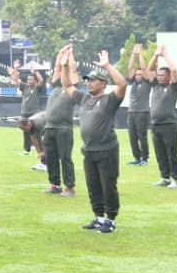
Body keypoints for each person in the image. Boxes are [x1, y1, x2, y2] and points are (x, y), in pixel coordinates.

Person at [63, 46, 126, 234]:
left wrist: (107, 66)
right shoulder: (84, 99)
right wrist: (65, 67)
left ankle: (111, 220)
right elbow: (67, 86)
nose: (88, 83)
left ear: (103, 83)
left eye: (92, 80)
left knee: (108, 185)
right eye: (87, 81)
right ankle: (98, 217)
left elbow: (122, 84)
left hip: (106, 150)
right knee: (93, 185)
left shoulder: (110, 100)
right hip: (89, 150)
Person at [41, 47, 77, 197]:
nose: (62, 74)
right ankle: (55, 185)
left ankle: (69, 187)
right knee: (51, 158)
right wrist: (61, 53)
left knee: (65, 158)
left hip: (63, 129)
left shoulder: (72, 89)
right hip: (49, 128)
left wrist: (70, 56)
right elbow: (56, 68)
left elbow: (73, 71)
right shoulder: (55, 87)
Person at [147, 45, 177, 189]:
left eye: (163, 75)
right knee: (159, 152)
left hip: (169, 125)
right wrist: (155, 55)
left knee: (171, 152)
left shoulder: (174, 87)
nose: (160, 77)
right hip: (155, 125)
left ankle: (175, 179)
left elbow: (174, 70)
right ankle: (165, 177)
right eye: (159, 75)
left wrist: (165, 55)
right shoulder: (156, 86)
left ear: (168, 77)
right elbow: (149, 70)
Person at [9, 61, 45, 158]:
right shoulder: (25, 87)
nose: (28, 80)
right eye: (28, 79)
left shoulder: (37, 87)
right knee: (25, 132)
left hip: (34, 114)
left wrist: (36, 71)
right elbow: (16, 80)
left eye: (31, 79)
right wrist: (15, 68)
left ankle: (40, 149)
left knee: (36, 132)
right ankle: (27, 149)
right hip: (24, 112)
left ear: (35, 80)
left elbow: (41, 81)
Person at [125, 44, 152, 166]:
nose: (137, 75)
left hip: (142, 112)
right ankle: (136, 158)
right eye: (136, 74)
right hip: (131, 112)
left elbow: (144, 68)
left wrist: (140, 53)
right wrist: (133, 53)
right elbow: (130, 67)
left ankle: (144, 158)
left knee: (142, 136)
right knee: (132, 137)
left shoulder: (147, 83)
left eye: (139, 74)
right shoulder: (133, 82)